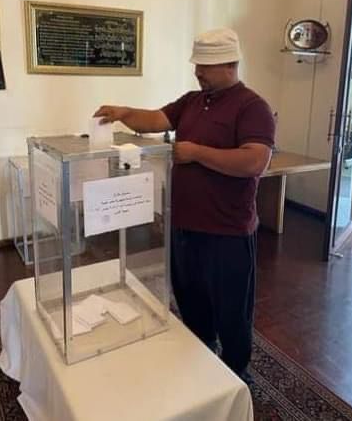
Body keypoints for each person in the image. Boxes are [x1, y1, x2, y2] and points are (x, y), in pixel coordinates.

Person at [94, 28, 275, 382]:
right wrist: (123, 112)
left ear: (230, 64)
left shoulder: (253, 107)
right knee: (191, 298)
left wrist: (195, 153)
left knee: (232, 309)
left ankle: (236, 373)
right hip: (185, 226)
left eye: (205, 66)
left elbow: (255, 161)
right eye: (197, 65)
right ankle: (200, 355)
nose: (198, 72)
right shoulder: (193, 101)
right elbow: (155, 120)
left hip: (227, 232)